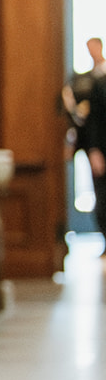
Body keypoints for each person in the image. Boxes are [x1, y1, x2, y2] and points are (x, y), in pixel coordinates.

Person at [80, 37, 106, 245]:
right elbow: (94, 119)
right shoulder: (98, 82)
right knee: (103, 197)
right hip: (103, 149)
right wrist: (94, 150)